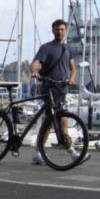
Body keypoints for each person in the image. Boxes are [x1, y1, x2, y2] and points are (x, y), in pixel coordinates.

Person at [30, 19, 88, 165]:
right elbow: (35, 62)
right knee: (53, 121)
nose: (59, 32)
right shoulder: (46, 47)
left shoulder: (68, 49)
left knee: (59, 120)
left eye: (62, 29)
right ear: (53, 30)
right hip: (49, 88)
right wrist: (35, 71)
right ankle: (70, 153)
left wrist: (72, 78)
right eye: (57, 29)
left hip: (62, 88)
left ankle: (40, 152)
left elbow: (73, 68)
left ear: (65, 31)